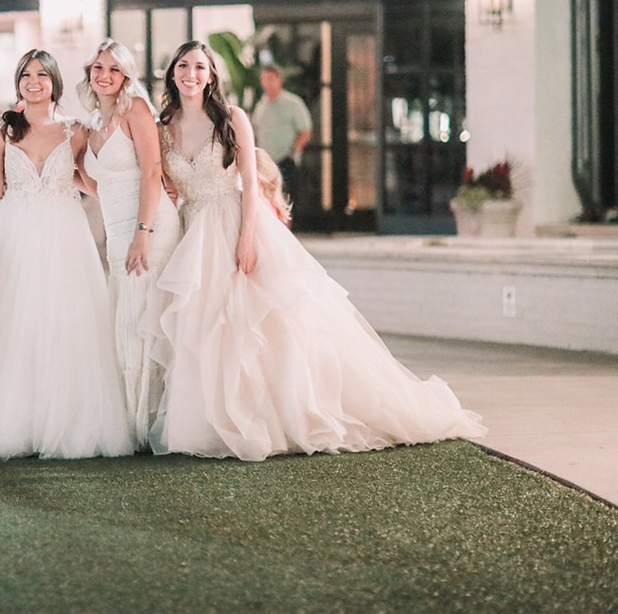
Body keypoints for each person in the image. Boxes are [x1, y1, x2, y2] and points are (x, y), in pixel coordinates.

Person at [151, 41, 486, 461]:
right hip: (192, 233)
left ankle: (275, 418)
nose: (191, 73)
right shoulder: (163, 127)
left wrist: (247, 238)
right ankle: (212, 422)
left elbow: (252, 184)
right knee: (205, 329)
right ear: (172, 73)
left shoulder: (233, 119)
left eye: (200, 66)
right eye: (183, 65)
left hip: (234, 222)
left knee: (258, 327)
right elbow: (159, 181)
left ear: (212, 76)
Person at [0, 49, 135, 460]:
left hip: (65, 234)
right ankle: (16, 425)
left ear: (55, 82)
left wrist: (137, 201)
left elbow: (90, 178)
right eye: (26, 74)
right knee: (16, 327)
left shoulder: (75, 131)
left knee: (67, 323)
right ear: (18, 82)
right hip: (13, 234)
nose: (34, 81)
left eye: (43, 75)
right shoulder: (1, 132)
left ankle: (68, 422)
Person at [77, 38, 182, 450]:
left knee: (144, 319)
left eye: (114, 70)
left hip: (148, 226)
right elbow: (98, 184)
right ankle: (131, 421)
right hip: (116, 228)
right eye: (98, 68)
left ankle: (151, 422)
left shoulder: (135, 110)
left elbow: (152, 172)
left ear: (125, 76)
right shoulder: (89, 124)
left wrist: (142, 231)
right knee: (126, 317)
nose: (104, 76)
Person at [250, 63, 311, 201]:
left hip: (285, 161)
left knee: (284, 202)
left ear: (279, 80)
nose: (267, 83)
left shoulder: (293, 103)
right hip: (265, 164)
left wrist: (292, 153)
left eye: (271, 79)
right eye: (264, 79)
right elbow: (255, 132)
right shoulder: (261, 106)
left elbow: (305, 132)